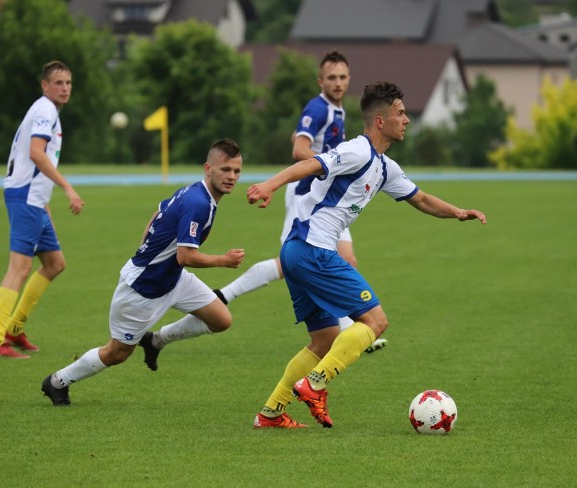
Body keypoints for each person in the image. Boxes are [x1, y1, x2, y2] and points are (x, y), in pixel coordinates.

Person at [248, 81, 487, 429]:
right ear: (379, 120)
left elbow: (420, 199)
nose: (406, 120)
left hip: (297, 253)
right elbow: (310, 164)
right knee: (375, 322)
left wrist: (458, 212)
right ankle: (315, 384)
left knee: (324, 339)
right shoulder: (357, 151)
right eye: (400, 114)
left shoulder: (385, 166)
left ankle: (270, 413)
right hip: (312, 249)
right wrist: (269, 185)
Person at [41, 138, 245, 406]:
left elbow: (157, 213)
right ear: (208, 168)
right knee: (116, 353)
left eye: (236, 171)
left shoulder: (196, 193)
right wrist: (224, 260)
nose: (231, 177)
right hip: (144, 289)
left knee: (221, 320)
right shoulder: (199, 202)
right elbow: (186, 256)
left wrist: (149, 250)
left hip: (172, 279)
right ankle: (57, 381)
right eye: (225, 170)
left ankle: (155, 341)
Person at [212, 50, 386, 352]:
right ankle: (225, 294)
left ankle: (351, 328)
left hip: (329, 197)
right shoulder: (317, 108)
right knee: (291, 263)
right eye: (332, 77)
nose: (338, 82)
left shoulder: (337, 109)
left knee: (346, 260)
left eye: (343, 77)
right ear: (321, 80)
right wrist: (333, 162)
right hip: (307, 194)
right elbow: (299, 149)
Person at [0, 60, 84, 359]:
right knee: (20, 268)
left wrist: (45, 202)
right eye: (59, 83)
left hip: (34, 199)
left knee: (54, 264)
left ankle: (14, 329)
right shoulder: (45, 110)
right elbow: (36, 154)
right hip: (25, 197)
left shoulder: (47, 111)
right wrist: (67, 187)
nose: (65, 88)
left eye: (68, 83)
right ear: (45, 85)